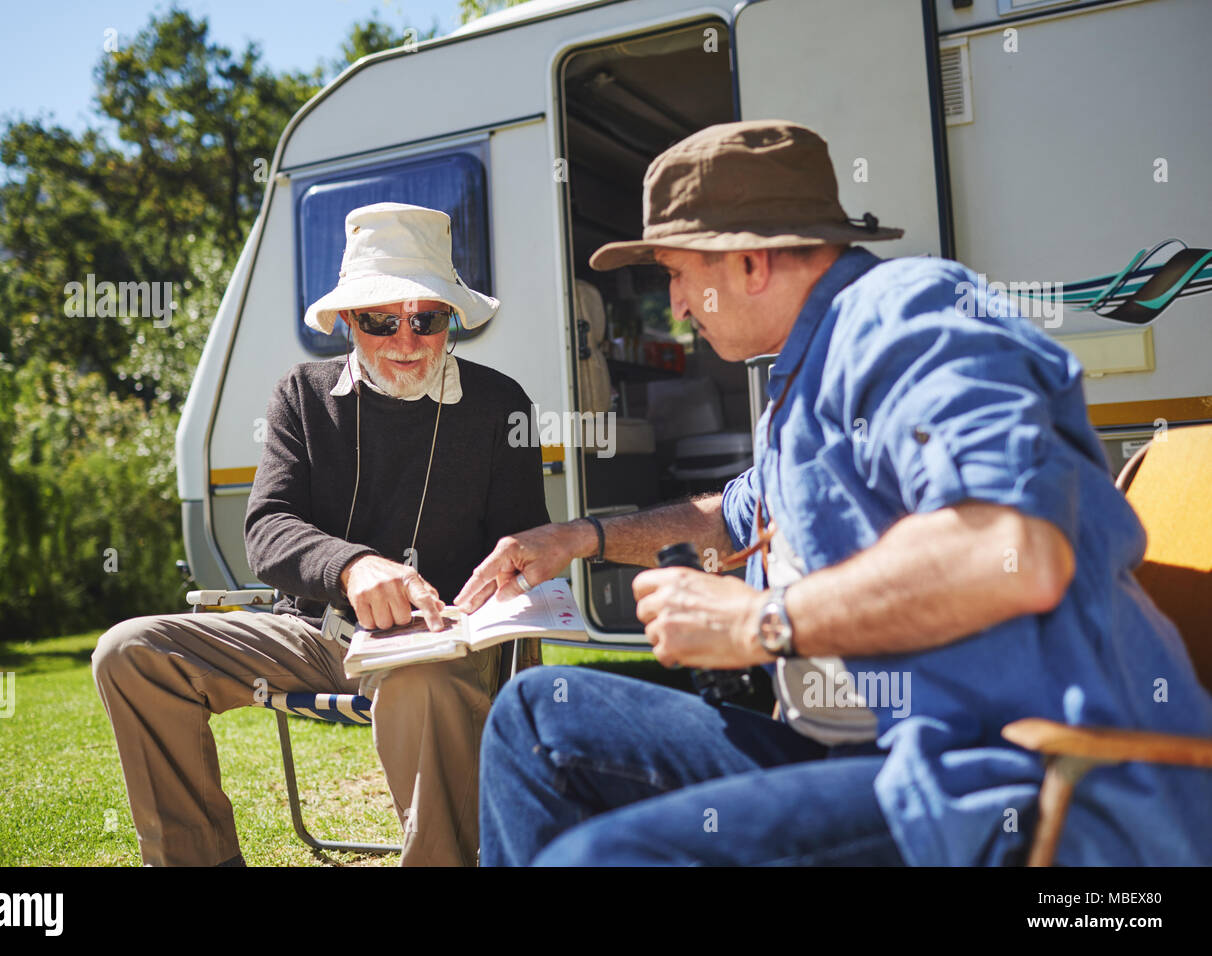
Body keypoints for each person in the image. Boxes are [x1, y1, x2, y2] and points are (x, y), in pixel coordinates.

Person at [458, 121, 1212, 866]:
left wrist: (763, 621)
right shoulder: (810, 366)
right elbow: (732, 517)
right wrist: (577, 537)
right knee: (536, 717)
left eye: (677, 274)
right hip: (878, 750)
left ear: (749, 262)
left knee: (598, 859)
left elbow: (1010, 546)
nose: (677, 305)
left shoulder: (906, 316)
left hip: (1018, 781)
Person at [93, 202, 549, 866]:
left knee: (423, 683)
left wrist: (469, 616)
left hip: (441, 645)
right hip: (316, 635)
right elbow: (267, 529)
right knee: (129, 652)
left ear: (450, 318)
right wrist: (354, 567)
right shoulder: (301, 396)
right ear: (345, 322)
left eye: (426, 318)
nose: (406, 340)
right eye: (380, 320)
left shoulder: (499, 404)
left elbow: (522, 549)